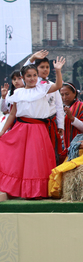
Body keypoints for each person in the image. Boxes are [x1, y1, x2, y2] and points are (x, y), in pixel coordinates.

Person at [0, 58, 66, 199]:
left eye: (34, 75)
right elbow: (12, 113)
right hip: (21, 129)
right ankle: (18, 189)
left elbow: (58, 85)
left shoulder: (43, 88)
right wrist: (3, 131)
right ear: (23, 78)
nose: (32, 78)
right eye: (28, 76)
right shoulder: (18, 93)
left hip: (38, 129)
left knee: (35, 162)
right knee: (18, 160)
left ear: (38, 76)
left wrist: (58, 71)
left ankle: (37, 191)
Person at [24, 50, 65, 166]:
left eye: (47, 67)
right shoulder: (31, 84)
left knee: (51, 151)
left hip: (51, 123)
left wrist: (60, 125)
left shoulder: (52, 85)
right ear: (35, 69)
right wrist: (31, 58)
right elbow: (23, 72)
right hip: (36, 124)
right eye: (42, 67)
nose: (45, 69)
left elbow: (59, 106)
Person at [59, 82, 83, 163]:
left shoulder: (82, 107)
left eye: (67, 94)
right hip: (63, 146)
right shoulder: (60, 108)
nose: (64, 97)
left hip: (77, 147)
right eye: (62, 95)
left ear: (74, 94)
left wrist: (72, 118)